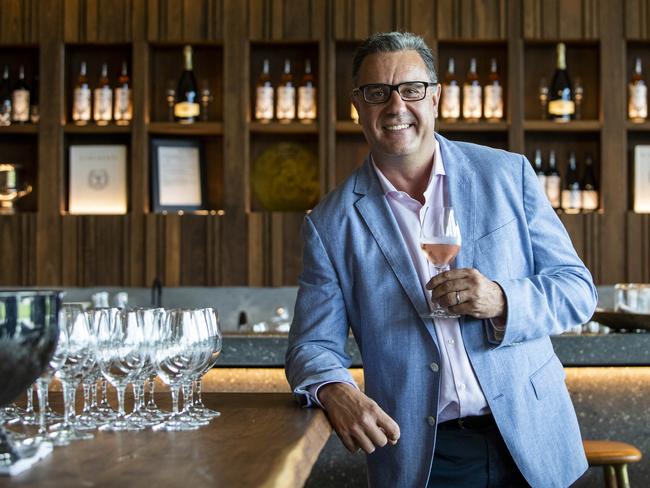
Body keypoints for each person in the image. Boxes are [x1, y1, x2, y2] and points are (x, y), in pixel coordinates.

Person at [285, 32, 597, 488]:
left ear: (435, 98)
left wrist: (500, 299)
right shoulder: (330, 223)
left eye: (411, 90)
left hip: (532, 437)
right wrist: (335, 389)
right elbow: (310, 346)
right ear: (358, 106)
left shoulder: (508, 175)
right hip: (423, 457)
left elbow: (576, 290)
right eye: (377, 93)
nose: (396, 107)